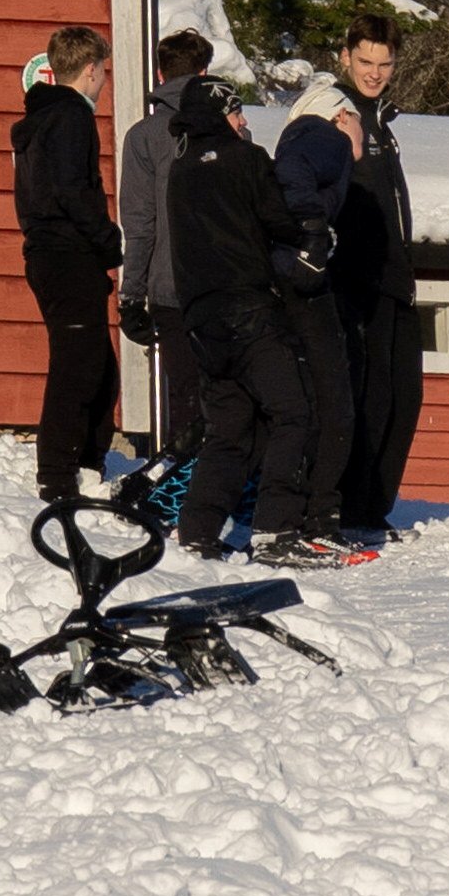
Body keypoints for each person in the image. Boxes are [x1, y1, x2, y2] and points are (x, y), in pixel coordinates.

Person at [159, 45, 329, 563]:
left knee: (229, 428)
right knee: (292, 413)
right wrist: (314, 237)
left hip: (201, 323)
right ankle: (274, 529)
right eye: (237, 111)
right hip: (250, 312)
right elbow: (280, 222)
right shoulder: (248, 160)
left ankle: (198, 527)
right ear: (221, 112)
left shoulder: (179, 171)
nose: (243, 120)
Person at [315, 20, 424, 543]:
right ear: (345, 58)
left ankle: (374, 504)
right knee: (368, 394)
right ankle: (350, 505)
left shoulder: (381, 121)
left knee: (405, 395)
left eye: (384, 64)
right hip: (355, 279)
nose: (375, 73)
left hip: (395, 275)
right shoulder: (334, 111)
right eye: (365, 63)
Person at [10, 25, 123, 505]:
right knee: (76, 365)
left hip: (52, 251)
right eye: (104, 71)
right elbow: (74, 190)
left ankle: (89, 462)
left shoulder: (43, 118)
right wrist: (107, 238)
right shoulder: (71, 118)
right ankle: (57, 472)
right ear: (92, 69)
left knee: (100, 365)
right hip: (67, 251)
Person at [261, 68, 368, 560]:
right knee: (335, 399)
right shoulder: (325, 135)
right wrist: (313, 234)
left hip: (283, 280)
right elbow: (293, 176)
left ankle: (302, 513)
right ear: (342, 114)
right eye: (359, 121)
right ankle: (318, 516)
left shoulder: (300, 136)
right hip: (304, 279)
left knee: (302, 399)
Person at [119, 29, 201, 508]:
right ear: (204, 73)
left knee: (184, 395)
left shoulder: (144, 137)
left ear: (159, 74)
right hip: (223, 285)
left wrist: (131, 296)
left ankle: (179, 494)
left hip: (168, 285)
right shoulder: (233, 128)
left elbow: (140, 223)